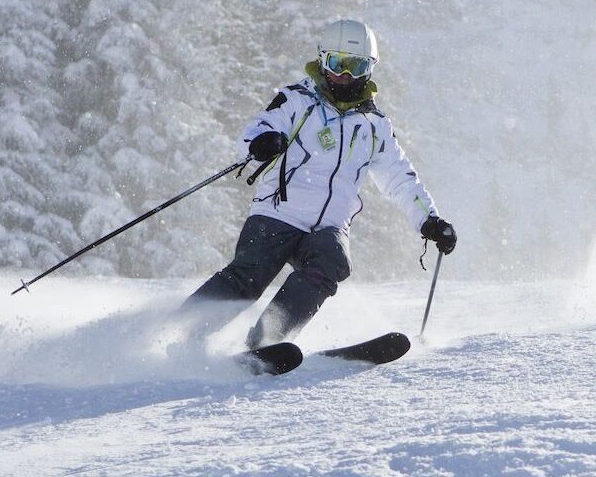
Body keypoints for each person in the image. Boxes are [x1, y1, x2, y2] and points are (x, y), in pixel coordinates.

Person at [179, 19, 456, 350]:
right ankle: (179, 332)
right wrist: (262, 141)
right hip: (279, 212)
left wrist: (430, 220)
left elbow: (400, 177)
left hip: (329, 225)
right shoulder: (297, 100)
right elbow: (259, 128)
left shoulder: (375, 126)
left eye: (356, 67)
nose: (345, 76)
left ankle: (266, 341)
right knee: (250, 276)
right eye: (337, 64)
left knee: (331, 263)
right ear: (323, 61)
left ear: (370, 69)